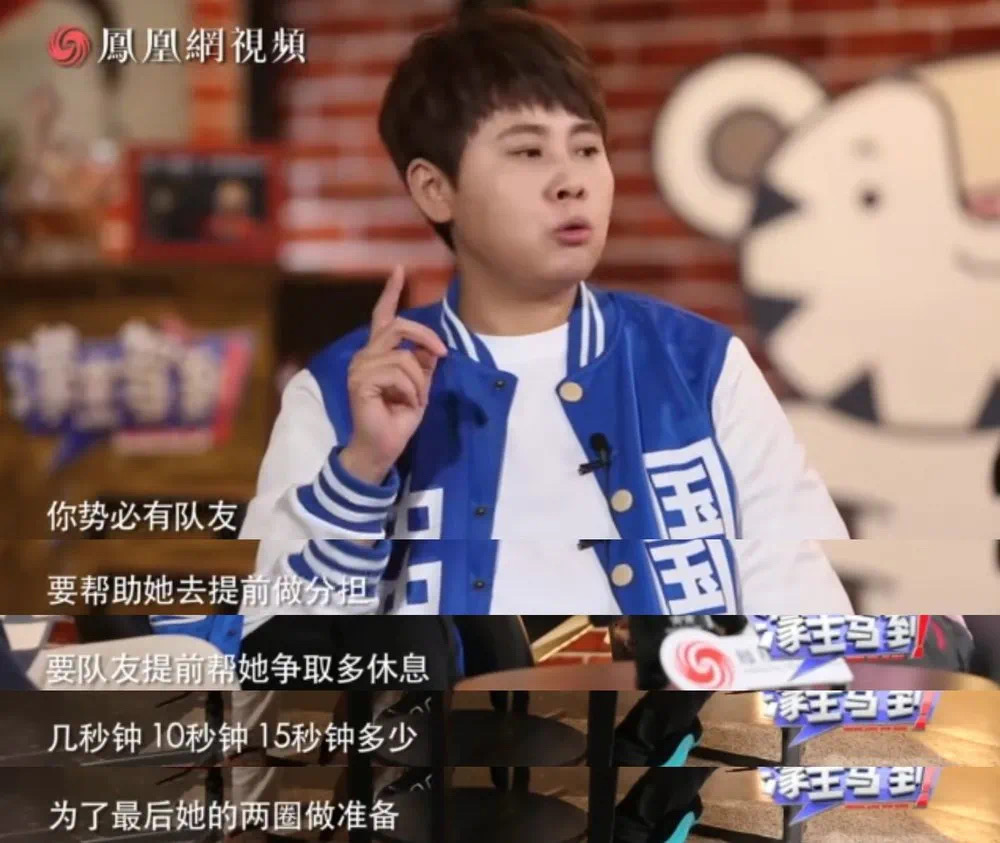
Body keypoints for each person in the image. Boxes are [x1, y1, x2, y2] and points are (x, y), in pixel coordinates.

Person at [237, 7, 853, 652]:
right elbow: (276, 676)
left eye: (586, 149)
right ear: (435, 189)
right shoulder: (337, 394)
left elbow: (813, 633)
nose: (571, 182)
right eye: (529, 152)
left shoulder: (701, 367)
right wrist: (362, 471)